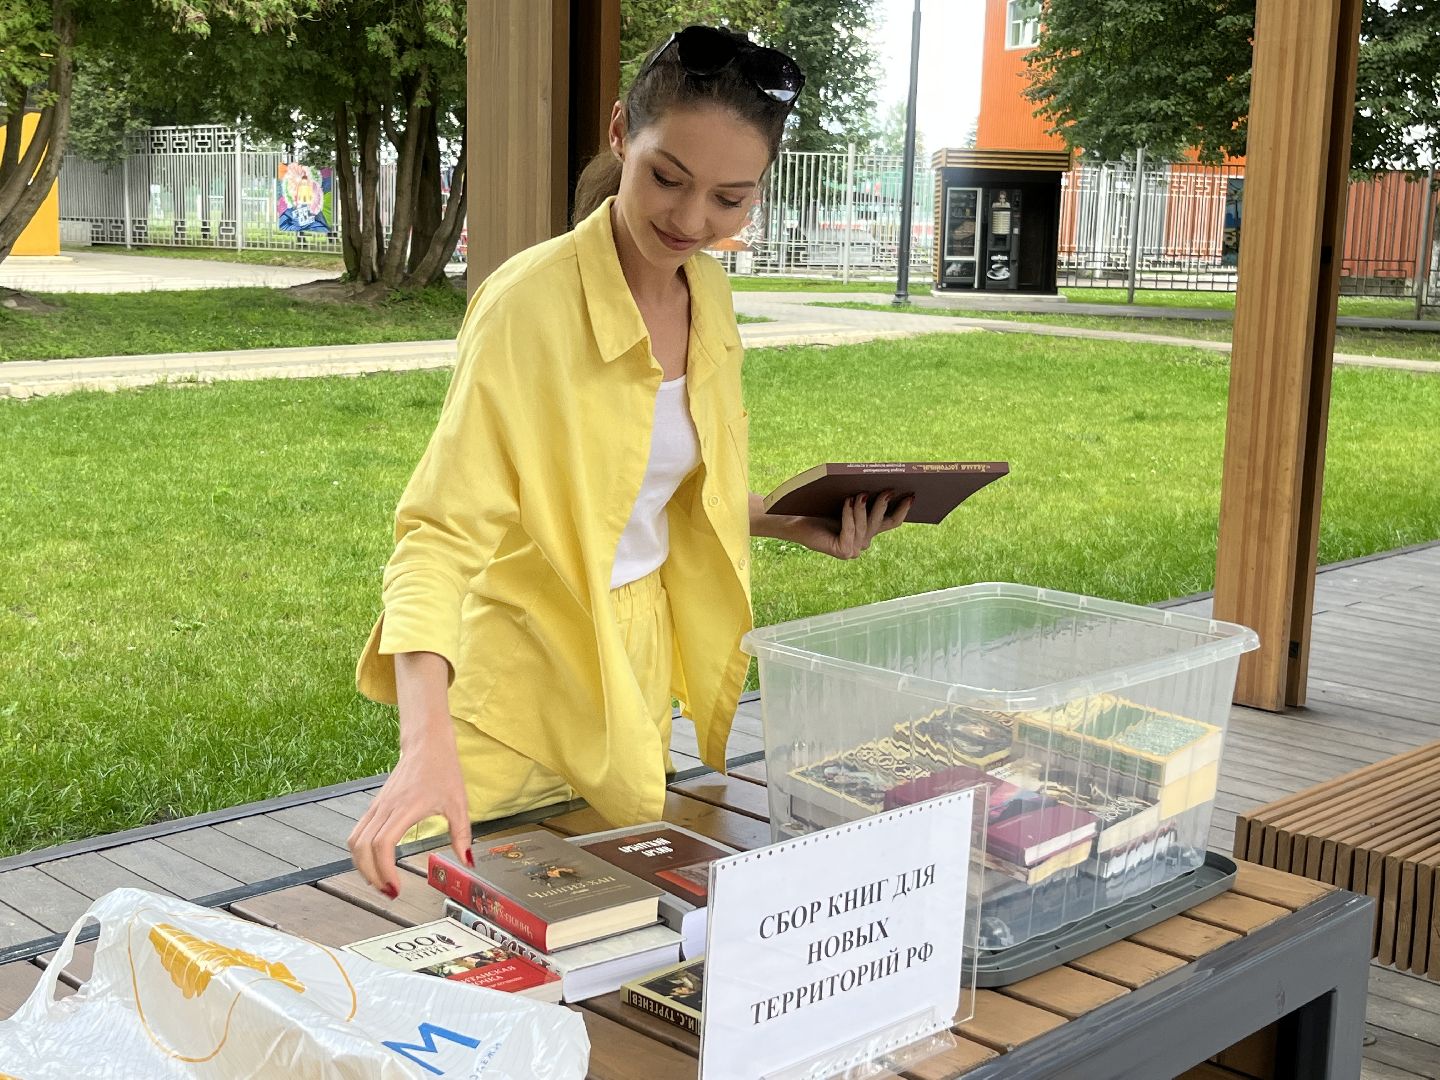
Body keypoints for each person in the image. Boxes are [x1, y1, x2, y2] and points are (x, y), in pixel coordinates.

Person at [348, 25, 912, 898]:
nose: (692, 221)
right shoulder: (527, 304)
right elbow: (437, 536)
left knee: (624, 955)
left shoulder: (712, 295)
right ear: (621, 134)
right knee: (447, 932)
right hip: (521, 687)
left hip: (638, 676)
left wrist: (788, 519)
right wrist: (425, 748)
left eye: (730, 199)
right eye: (667, 178)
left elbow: (650, 488)